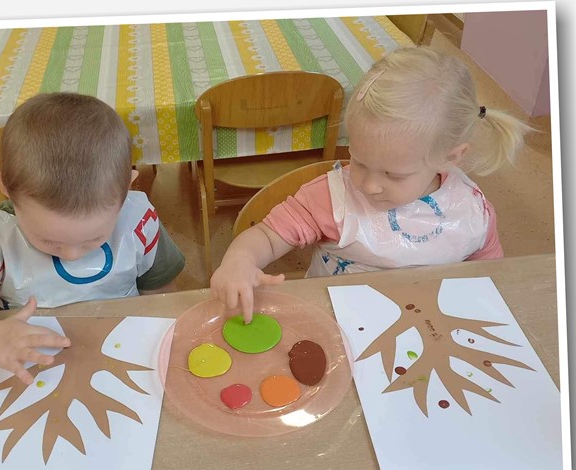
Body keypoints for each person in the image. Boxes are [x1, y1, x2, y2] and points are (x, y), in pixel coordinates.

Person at [211, 46, 533, 322]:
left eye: (393, 175)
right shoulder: (330, 198)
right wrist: (240, 261)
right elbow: (267, 237)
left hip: (427, 324)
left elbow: (487, 272)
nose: (368, 185)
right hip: (334, 319)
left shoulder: (471, 211)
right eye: (359, 161)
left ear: (450, 157)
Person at [0, 92, 185, 384]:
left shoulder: (138, 223)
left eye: (93, 239)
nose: (71, 254)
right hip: (26, 369)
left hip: (118, 356)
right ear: (6, 189)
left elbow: (161, 294)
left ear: (126, 189)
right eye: (48, 241)